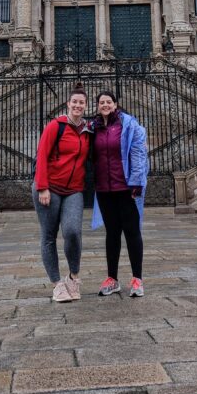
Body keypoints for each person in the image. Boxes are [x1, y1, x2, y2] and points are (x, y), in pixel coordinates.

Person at [33, 87, 91, 302]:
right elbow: (41, 156)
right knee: (49, 235)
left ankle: (73, 278)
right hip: (50, 188)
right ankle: (57, 284)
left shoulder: (87, 130)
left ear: (86, 106)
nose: (77, 105)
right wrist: (42, 187)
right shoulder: (55, 126)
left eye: (81, 102)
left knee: (73, 231)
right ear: (68, 103)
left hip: (74, 189)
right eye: (74, 101)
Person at [91, 90, 149, 297]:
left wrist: (136, 182)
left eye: (109, 102)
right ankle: (112, 279)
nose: (105, 105)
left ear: (116, 104)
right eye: (101, 102)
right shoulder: (94, 127)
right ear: (97, 106)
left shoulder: (129, 125)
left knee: (132, 232)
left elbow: (138, 154)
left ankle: (137, 279)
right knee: (112, 234)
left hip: (126, 188)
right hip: (104, 189)